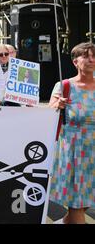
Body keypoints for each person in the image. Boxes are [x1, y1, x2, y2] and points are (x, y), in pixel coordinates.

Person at [48, 42, 94, 224]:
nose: (91, 59)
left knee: (84, 205)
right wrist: (56, 106)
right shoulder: (64, 86)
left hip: (93, 153)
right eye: (86, 56)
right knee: (77, 204)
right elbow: (47, 115)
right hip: (74, 153)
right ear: (75, 62)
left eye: (94, 56)